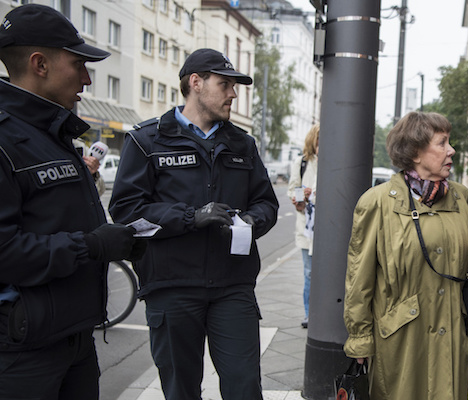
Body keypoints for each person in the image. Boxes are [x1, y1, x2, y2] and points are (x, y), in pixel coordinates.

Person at [109, 48, 279, 400]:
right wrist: (191, 217)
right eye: (225, 84)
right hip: (172, 287)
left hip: (233, 286)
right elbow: (126, 210)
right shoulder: (146, 140)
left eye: (234, 86)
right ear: (196, 83)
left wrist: (251, 220)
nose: (233, 94)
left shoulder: (242, 144)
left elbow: (266, 202)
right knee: (181, 390)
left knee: (245, 386)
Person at [0, 4, 142, 399]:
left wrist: (117, 241)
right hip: (23, 352)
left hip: (73, 337)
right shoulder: (7, 139)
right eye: (78, 64)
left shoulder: (51, 132)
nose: (87, 78)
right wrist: (91, 246)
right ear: (40, 64)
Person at [343, 111, 468, 400]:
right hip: (400, 338)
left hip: (451, 334)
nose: (451, 150)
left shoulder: (461, 198)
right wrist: (360, 338)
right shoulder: (377, 202)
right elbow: (358, 279)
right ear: (415, 152)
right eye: (442, 143)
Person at [288, 124, 319, 328]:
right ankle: (310, 314)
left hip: (328, 228)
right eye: (319, 140)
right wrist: (300, 197)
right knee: (309, 273)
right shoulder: (302, 163)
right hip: (307, 228)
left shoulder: (333, 161)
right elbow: (293, 189)